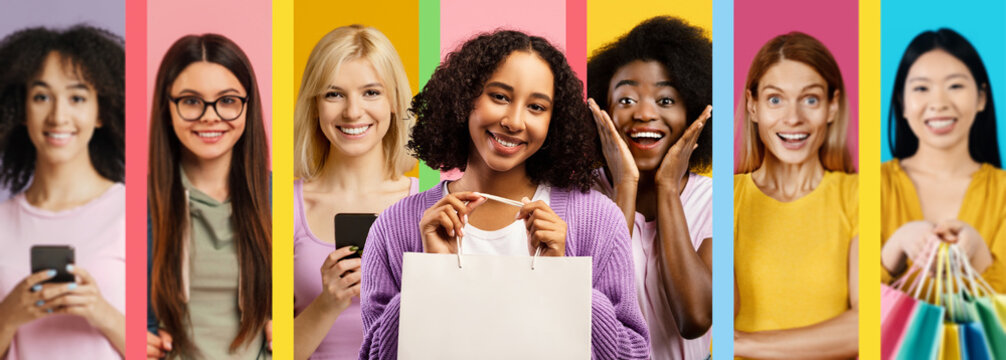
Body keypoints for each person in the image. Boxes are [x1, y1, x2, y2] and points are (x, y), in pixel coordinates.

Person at [359, 30, 649, 359]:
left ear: (554, 121)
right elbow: (373, 355)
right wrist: (429, 278)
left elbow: (634, 355)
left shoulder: (597, 221)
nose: (514, 121)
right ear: (465, 97)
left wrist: (564, 280)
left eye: (537, 107)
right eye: (499, 97)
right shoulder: (395, 226)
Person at [586, 16, 712, 360]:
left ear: (695, 112)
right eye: (626, 100)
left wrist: (668, 188)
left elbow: (695, 318)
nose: (644, 113)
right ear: (602, 110)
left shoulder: (717, 201)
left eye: (665, 101)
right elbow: (586, 311)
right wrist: (625, 185)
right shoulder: (578, 195)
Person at [292, 25, 418, 360]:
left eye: (371, 93)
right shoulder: (284, 208)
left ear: (394, 101)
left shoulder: (428, 207)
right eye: (334, 94)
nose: (352, 112)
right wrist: (327, 303)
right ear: (315, 104)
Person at [0, 25, 126, 359]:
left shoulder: (132, 212)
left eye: (77, 97)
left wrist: (101, 312)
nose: (58, 116)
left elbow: (169, 343)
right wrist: (7, 316)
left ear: (101, 112)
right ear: (21, 110)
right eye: (41, 96)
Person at [145, 34, 272, 359]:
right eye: (191, 101)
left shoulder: (281, 199)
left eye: (228, 100)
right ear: (167, 107)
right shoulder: (136, 204)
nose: (210, 116)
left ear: (248, 105)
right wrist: (134, 335)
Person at [733, 32, 858, 359]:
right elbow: (709, 321)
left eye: (810, 99)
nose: (793, 118)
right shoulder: (725, 199)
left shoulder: (859, 196)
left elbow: (867, 324)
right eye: (775, 99)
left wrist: (743, 343)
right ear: (753, 106)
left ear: (832, 107)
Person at [881, 28, 1006, 292]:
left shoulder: (1002, 193)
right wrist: (896, 246)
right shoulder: (870, 186)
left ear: (981, 98)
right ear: (903, 102)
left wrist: (979, 254)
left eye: (955, 86)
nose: (938, 102)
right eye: (922, 88)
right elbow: (847, 304)